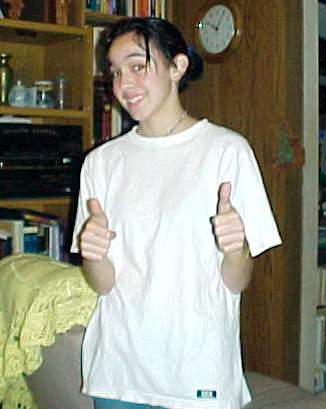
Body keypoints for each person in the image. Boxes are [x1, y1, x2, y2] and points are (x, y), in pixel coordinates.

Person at [71, 16, 282, 409]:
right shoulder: (100, 163)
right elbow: (103, 284)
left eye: (137, 66)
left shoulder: (226, 151)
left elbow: (236, 282)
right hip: (120, 374)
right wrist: (92, 254)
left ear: (177, 66)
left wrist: (236, 250)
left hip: (197, 372)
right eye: (115, 72)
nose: (123, 85)